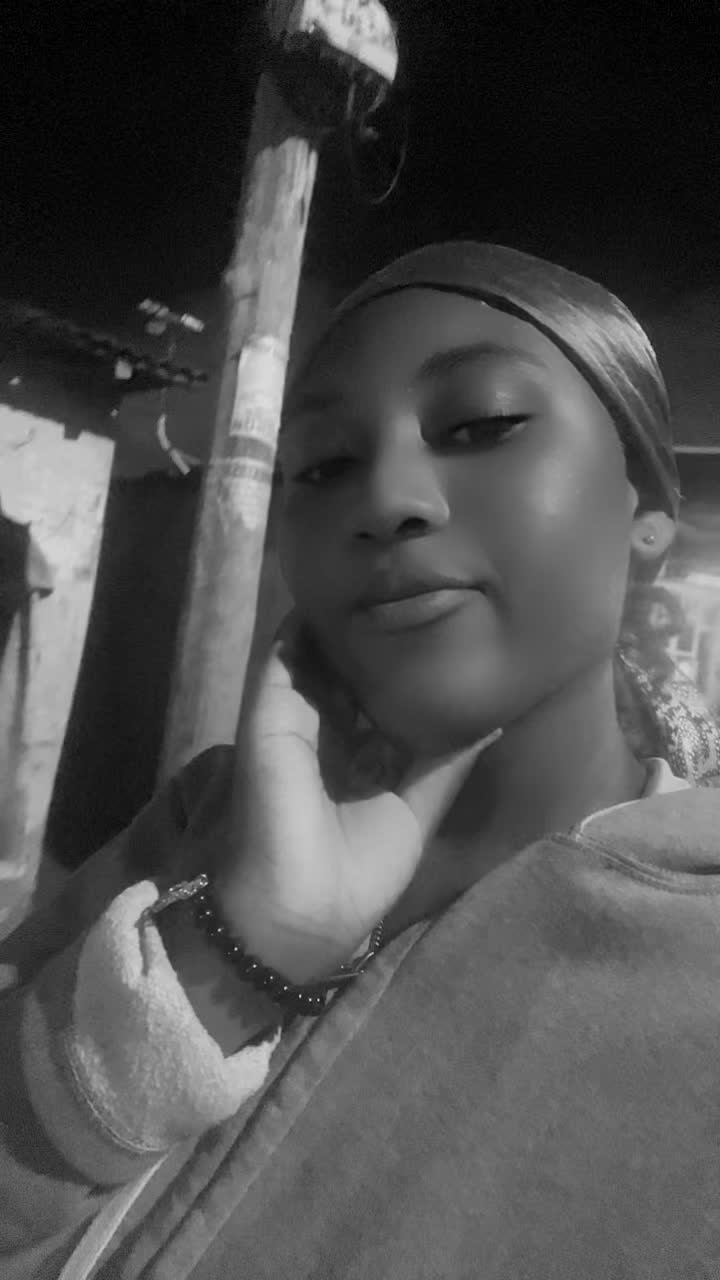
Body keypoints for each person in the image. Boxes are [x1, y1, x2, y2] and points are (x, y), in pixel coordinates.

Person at [2, 241, 720, 1280]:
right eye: (323, 464)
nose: (385, 497)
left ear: (647, 509)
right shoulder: (205, 818)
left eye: (480, 424)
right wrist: (229, 958)